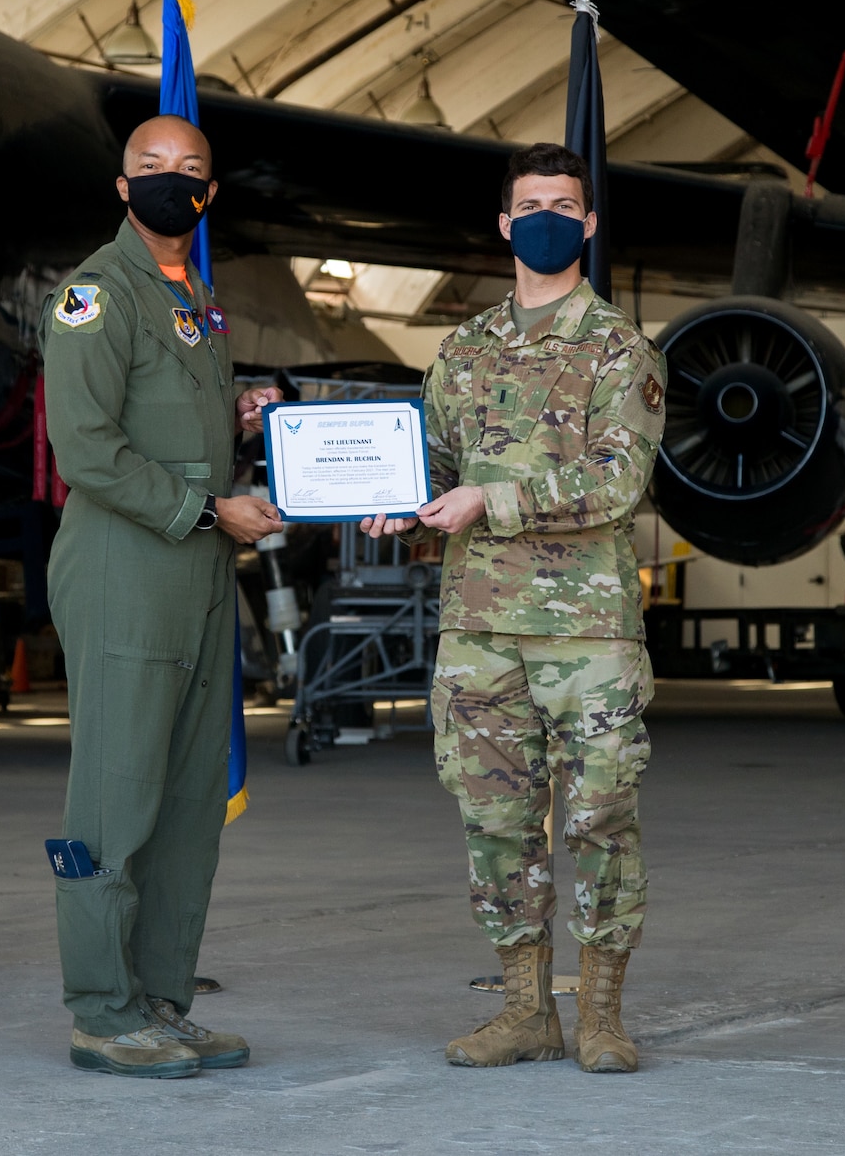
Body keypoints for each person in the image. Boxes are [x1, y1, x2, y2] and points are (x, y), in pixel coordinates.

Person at [362, 142, 667, 1073]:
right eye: (529, 202)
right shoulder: (462, 349)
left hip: (586, 635)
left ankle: (603, 1015)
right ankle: (526, 1011)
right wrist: (401, 514)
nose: (546, 215)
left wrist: (486, 502)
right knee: (494, 822)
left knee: (600, 815)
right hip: (480, 629)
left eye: (563, 203)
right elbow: (439, 478)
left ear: (587, 222)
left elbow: (620, 481)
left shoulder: (621, 349)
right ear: (505, 224)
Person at [41, 114, 282, 1078]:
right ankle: (101, 1008)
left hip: (198, 569)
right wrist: (204, 508)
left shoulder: (198, 298)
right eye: (153, 168)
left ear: (210, 194)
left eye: (191, 170)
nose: (171, 181)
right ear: (121, 183)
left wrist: (239, 416)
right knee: (115, 791)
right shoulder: (97, 293)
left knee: (186, 797)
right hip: (127, 564)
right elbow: (88, 450)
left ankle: (160, 1000)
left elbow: (170, 415)